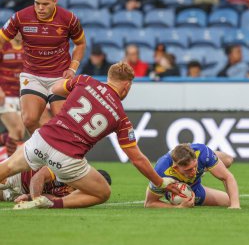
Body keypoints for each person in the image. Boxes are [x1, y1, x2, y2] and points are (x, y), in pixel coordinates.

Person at [0, 62, 179, 209]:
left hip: (43, 139)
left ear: (109, 78)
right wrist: (160, 182)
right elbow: (137, 159)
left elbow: (55, 89)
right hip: (67, 158)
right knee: (102, 192)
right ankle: (50, 204)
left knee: (7, 168)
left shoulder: (85, 80)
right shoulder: (121, 118)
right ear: (127, 85)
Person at [0, 0, 87, 135]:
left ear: (55, 2)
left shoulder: (69, 19)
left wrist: (73, 68)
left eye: (45, 4)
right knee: (29, 120)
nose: (40, 8)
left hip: (60, 77)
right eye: (37, 3)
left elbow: (81, 44)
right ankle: (42, 150)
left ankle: (60, 152)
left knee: (62, 122)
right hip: (33, 75)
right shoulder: (20, 17)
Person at [144, 143, 240, 209]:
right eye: (189, 169)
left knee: (228, 160)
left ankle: (208, 163)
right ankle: (206, 165)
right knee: (227, 201)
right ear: (176, 168)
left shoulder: (202, 152)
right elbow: (149, 203)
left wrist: (235, 205)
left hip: (195, 179)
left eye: (195, 166)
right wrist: (178, 207)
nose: (194, 172)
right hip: (188, 189)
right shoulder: (161, 171)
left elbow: (228, 177)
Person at [0, 166, 111, 204]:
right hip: (19, 176)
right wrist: (35, 200)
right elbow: (38, 177)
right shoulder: (71, 169)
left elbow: (51, 198)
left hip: (24, 192)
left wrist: (28, 197)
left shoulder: (76, 193)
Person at [0, 32, 24, 157]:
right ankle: (10, 168)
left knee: (19, 134)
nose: (20, 34)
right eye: (17, 31)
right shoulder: (3, 46)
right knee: (16, 130)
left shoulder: (27, 47)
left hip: (20, 96)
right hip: (5, 94)